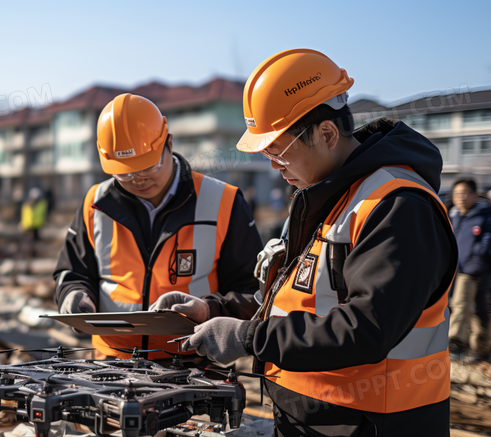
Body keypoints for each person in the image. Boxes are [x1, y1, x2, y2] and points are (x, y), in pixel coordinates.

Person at [151, 49, 458, 436]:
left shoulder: (397, 206)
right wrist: (214, 309)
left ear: (327, 133)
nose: (276, 170)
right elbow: (296, 302)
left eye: (279, 155)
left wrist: (246, 338)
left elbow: (366, 328)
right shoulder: (326, 197)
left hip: (371, 423)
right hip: (311, 420)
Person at [54, 93, 262, 360]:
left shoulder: (225, 202)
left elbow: (255, 292)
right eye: (125, 172)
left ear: (169, 143)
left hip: (193, 366)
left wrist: (210, 309)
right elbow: (72, 271)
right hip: (111, 364)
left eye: (148, 166)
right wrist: (74, 293)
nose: (138, 179)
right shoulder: (95, 203)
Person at [448, 177, 491, 362]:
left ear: (474, 195)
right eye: (458, 193)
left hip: (474, 270)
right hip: (455, 269)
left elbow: (487, 240)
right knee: (477, 311)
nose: (461, 197)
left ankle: (456, 343)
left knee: (462, 305)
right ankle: (481, 348)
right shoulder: (453, 214)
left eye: (465, 193)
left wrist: (478, 257)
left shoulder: (484, 215)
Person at [21, 187, 48, 258]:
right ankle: (30, 255)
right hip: (30, 226)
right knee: (30, 242)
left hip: (34, 226)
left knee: (34, 242)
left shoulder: (28, 205)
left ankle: (34, 255)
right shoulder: (29, 205)